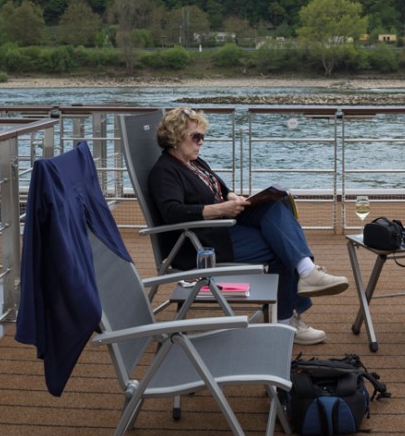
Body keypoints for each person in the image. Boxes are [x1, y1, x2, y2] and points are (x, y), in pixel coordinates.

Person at [148, 107, 349, 345]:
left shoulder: (194, 162)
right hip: (198, 244)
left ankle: (305, 275)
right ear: (175, 136)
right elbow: (173, 213)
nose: (202, 142)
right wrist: (221, 209)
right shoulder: (165, 172)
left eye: (203, 136)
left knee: (276, 205)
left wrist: (234, 198)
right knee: (279, 247)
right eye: (196, 136)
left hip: (219, 228)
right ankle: (287, 319)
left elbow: (220, 188)